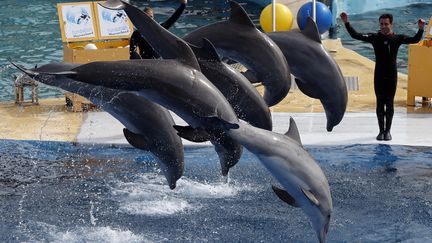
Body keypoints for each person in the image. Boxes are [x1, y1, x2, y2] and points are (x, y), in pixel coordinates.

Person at [340, 12, 425, 141]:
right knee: (380, 102)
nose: (384, 26)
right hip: (379, 75)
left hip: (391, 75)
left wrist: (420, 28)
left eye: (386, 24)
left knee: (389, 103)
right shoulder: (374, 37)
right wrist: (346, 22)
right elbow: (355, 35)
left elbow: (415, 40)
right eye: (381, 24)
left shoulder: (398, 38)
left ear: (391, 24)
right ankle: (380, 131)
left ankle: (388, 131)